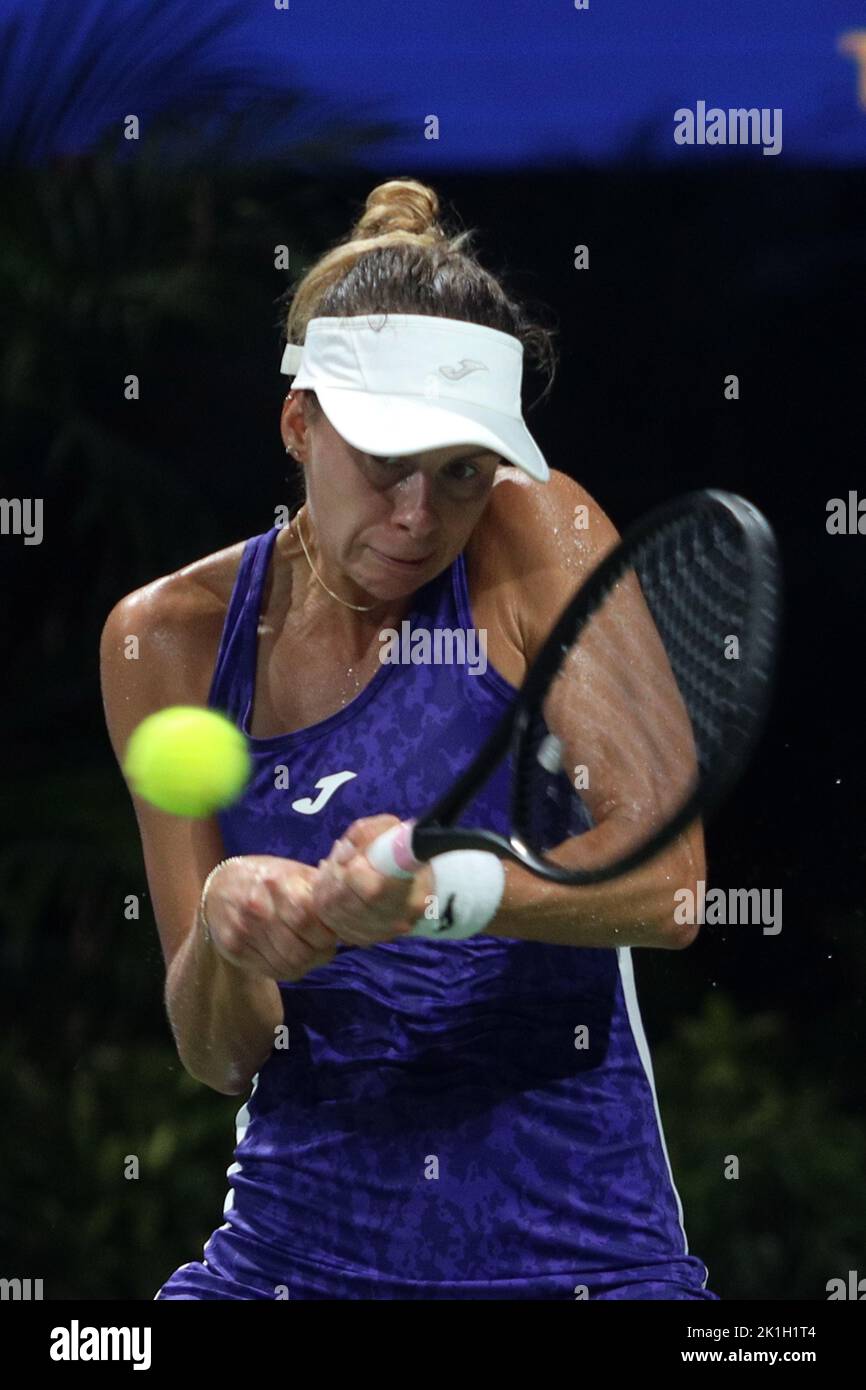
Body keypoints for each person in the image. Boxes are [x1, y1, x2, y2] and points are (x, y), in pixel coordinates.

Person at [100, 176, 718, 1300]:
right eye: (385, 464)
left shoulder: (539, 528)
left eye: (461, 473)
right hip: (283, 1259)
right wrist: (228, 937)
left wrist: (450, 893)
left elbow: (671, 885)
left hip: (579, 1261)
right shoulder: (166, 639)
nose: (418, 518)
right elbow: (218, 1055)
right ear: (298, 424)